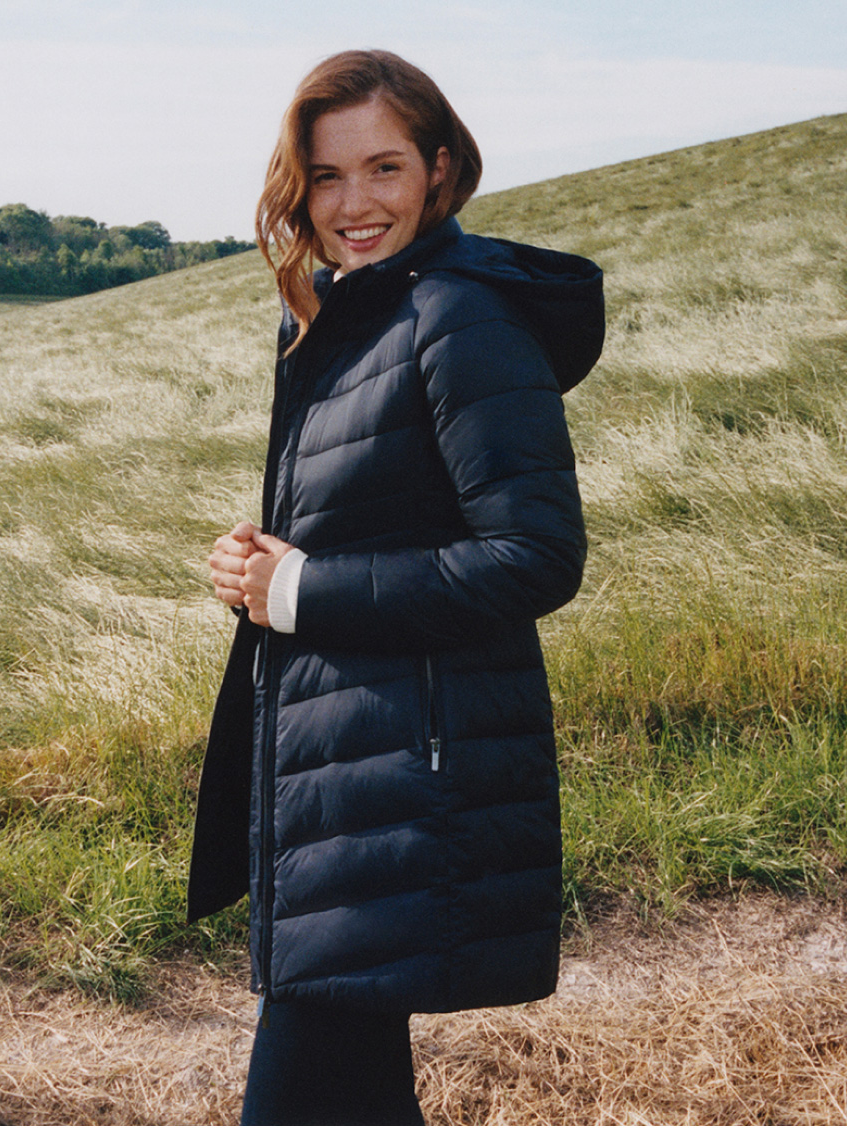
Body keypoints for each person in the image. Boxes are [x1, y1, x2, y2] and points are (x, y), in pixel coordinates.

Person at [188, 49, 604, 1126]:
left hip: (403, 778)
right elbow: (364, 525)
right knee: (353, 1097)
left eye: (382, 168)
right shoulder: (339, 315)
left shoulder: (460, 318)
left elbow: (535, 555)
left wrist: (306, 589)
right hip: (336, 774)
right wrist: (261, 568)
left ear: (437, 166)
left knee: (296, 1099)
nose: (354, 203)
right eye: (326, 176)